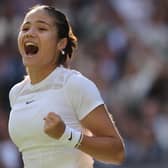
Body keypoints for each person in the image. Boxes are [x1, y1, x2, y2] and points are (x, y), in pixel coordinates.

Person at [8, 4, 125, 168]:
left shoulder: (74, 85)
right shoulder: (17, 92)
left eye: (41, 29)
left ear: (61, 43)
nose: (30, 33)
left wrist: (66, 135)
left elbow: (117, 153)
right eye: (25, 28)